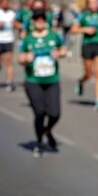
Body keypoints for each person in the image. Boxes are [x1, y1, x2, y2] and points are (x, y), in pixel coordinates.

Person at [18, 9, 67, 157]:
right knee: (39, 113)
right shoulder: (28, 39)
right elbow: (20, 58)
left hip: (52, 80)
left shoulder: (54, 36)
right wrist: (26, 58)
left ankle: (47, 130)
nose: (40, 21)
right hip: (34, 81)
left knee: (55, 113)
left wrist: (60, 53)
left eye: (42, 18)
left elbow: (63, 49)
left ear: (45, 21)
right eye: (37, 18)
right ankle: (39, 142)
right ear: (33, 21)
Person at [71, 0, 98, 111]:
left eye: (96, 2)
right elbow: (73, 30)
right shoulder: (82, 15)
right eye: (91, 3)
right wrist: (85, 29)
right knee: (89, 73)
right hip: (87, 45)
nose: (94, 5)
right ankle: (81, 81)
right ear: (88, 4)